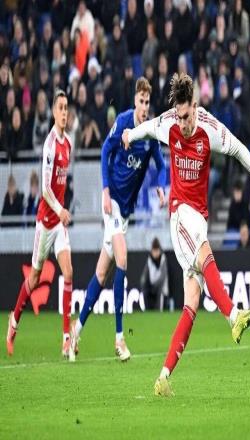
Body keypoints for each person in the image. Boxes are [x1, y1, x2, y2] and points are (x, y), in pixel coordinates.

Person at [122, 73, 250, 397]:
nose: (182, 123)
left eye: (186, 115)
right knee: (206, 252)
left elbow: (237, 148)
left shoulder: (209, 128)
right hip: (180, 214)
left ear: (195, 106)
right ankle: (233, 315)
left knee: (191, 302)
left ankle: (163, 377)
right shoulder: (169, 123)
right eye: (178, 116)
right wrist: (129, 135)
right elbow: (148, 128)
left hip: (199, 217)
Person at [68, 78, 167, 362]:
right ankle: (119, 338)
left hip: (125, 211)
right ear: (135, 101)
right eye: (141, 101)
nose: (144, 107)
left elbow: (162, 166)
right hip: (111, 203)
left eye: (148, 102)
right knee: (122, 260)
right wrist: (104, 189)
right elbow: (105, 151)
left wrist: (161, 185)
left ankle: (76, 330)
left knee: (101, 274)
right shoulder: (123, 122)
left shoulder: (150, 133)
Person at [6, 90, 73, 358]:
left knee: (68, 273)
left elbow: (61, 183)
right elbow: (45, 189)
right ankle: (13, 322)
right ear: (54, 112)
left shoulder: (68, 144)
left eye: (66, 108)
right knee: (33, 278)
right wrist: (60, 209)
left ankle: (66, 338)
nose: (64, 112)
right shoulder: (50, 145)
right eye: (60, 108)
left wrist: (63, 211)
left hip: (59, 225)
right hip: (45, 222)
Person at [140, 238, 170, 311]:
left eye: (157, 251)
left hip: (161, 289)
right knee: (145, 291)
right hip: (151, 288)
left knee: (160, 292)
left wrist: (154, 286)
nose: (155, 253)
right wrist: (144, 284)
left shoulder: (163, 258)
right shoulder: (149, 259)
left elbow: (163, 277)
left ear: (159, 250)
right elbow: (144, 275)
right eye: (154, 251)